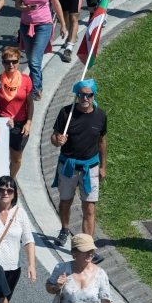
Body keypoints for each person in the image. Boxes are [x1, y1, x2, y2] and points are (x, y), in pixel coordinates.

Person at [51, 79, 108, 249]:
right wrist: (58, 141)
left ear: (93, 95)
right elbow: (54, 137)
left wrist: (103, 166)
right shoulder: (66, 113)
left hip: (90, 168)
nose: (85, 98)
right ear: (77, 95)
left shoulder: (101, 116)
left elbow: (102, 142)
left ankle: (87, 244)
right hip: (68, 166)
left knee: (89, 208)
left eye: (88, 94)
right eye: (81, 94)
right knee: (65, 201)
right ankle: (64, 229)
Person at [15, 0, 64, 100]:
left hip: (43, 25)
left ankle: (33, 90)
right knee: (32, 60)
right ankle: (38, 85)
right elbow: (17, 4)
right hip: (26, 25)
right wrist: (27, 8)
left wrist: (63, 24)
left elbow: (56, 4)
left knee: (35, 60)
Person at [0, 47, 34, 178]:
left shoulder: (26, 80)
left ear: (19, 61)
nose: (11, 65)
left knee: (16, 159)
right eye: (7, 62)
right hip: (0, 122)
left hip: (19, 124)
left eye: (14, 61)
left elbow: (30, 104)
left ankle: (10, 181)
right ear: (2, 62)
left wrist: (28, 123)